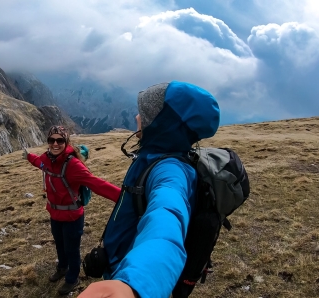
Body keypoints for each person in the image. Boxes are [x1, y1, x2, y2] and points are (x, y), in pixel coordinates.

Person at [78, 81, 220, 298]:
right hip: (124, 263)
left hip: (131, 273)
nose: (137, 117)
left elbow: (166, 220)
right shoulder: (155, 156)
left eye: (144, 113)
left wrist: (134, 285)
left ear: (163, 123)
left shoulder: (170, 171)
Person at [23, 125, 121, 295]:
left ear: (66, 141)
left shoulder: (73, 165)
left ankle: (72, 278)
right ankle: (62, 268)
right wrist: (28, 156)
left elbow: (97, 184)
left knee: (71, 249)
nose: (55, 144)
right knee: (60, 245)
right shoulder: (47, 159)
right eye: (51, 140)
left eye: (59, 140)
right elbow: (39, 163)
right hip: (55, 214)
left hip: (72, 217)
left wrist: (125, 198)